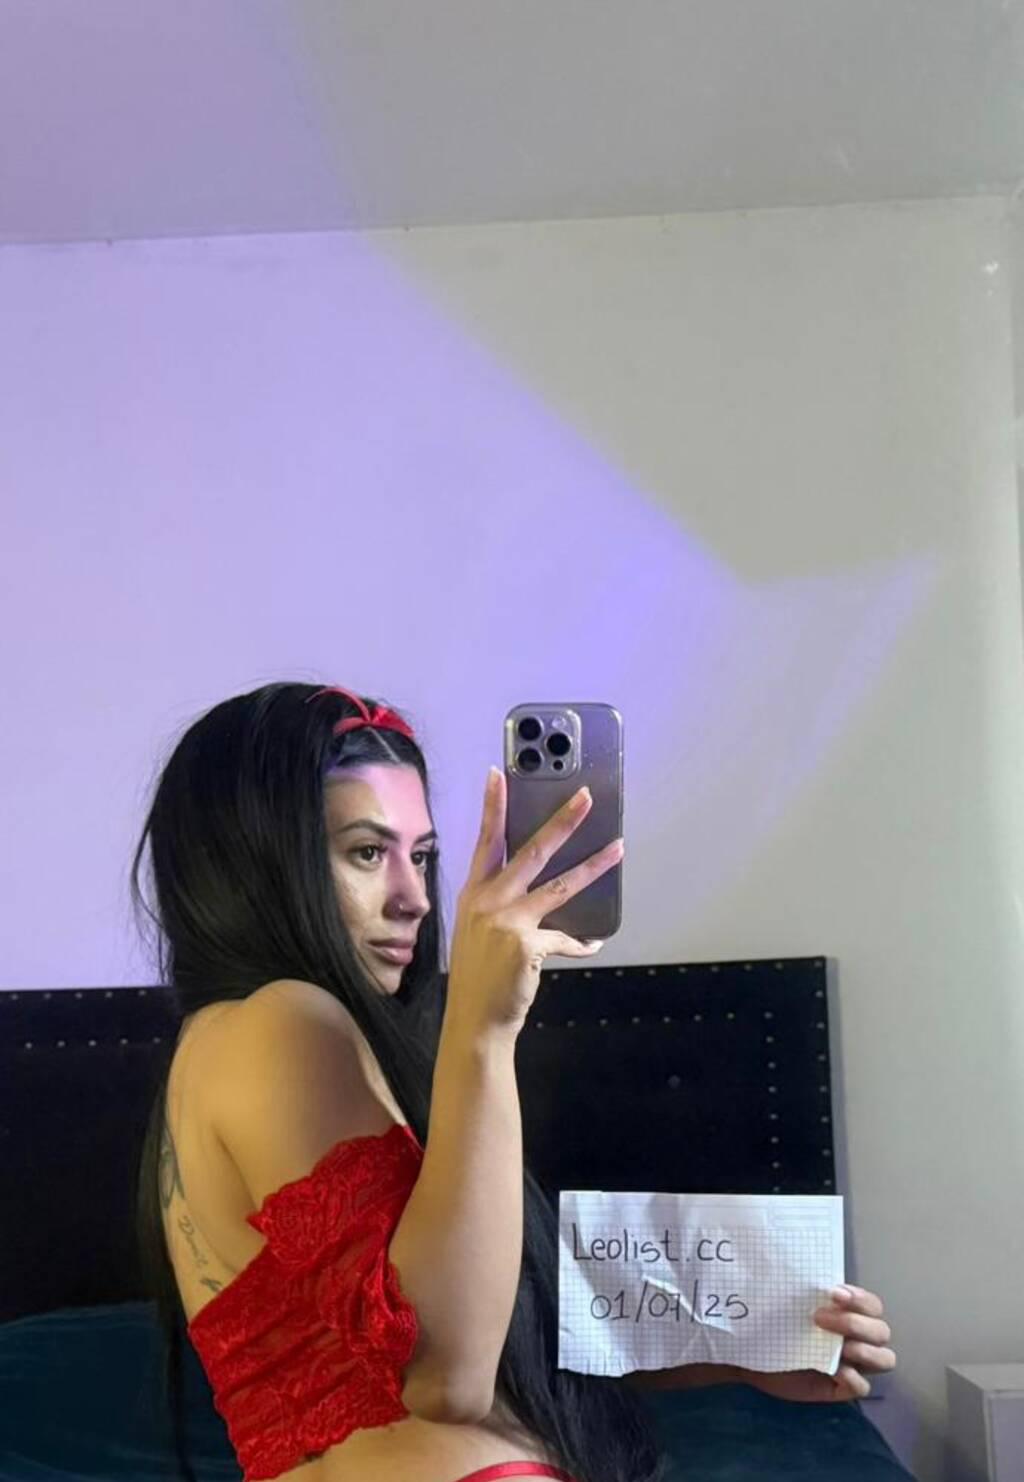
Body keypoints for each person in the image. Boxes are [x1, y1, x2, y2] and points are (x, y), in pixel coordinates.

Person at [135, 681, 897, 1482]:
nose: (414, 899)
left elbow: (479, 1325)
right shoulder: (282, 1024)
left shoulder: (233, 1043)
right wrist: (484, 1027)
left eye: (421, 856)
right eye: (366, 852)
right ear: (255, 864)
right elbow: (448, 1377)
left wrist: (739, 1347)